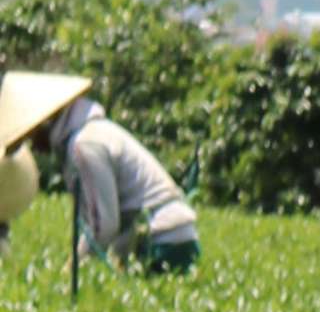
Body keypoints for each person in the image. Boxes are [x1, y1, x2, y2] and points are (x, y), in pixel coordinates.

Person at [1, 70, 199, 273]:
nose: (31, 143)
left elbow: (102, 225)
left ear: (45, 120)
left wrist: (72, 269)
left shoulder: (85, 144)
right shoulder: (95, 132)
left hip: (161, 240)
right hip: (175, 236)